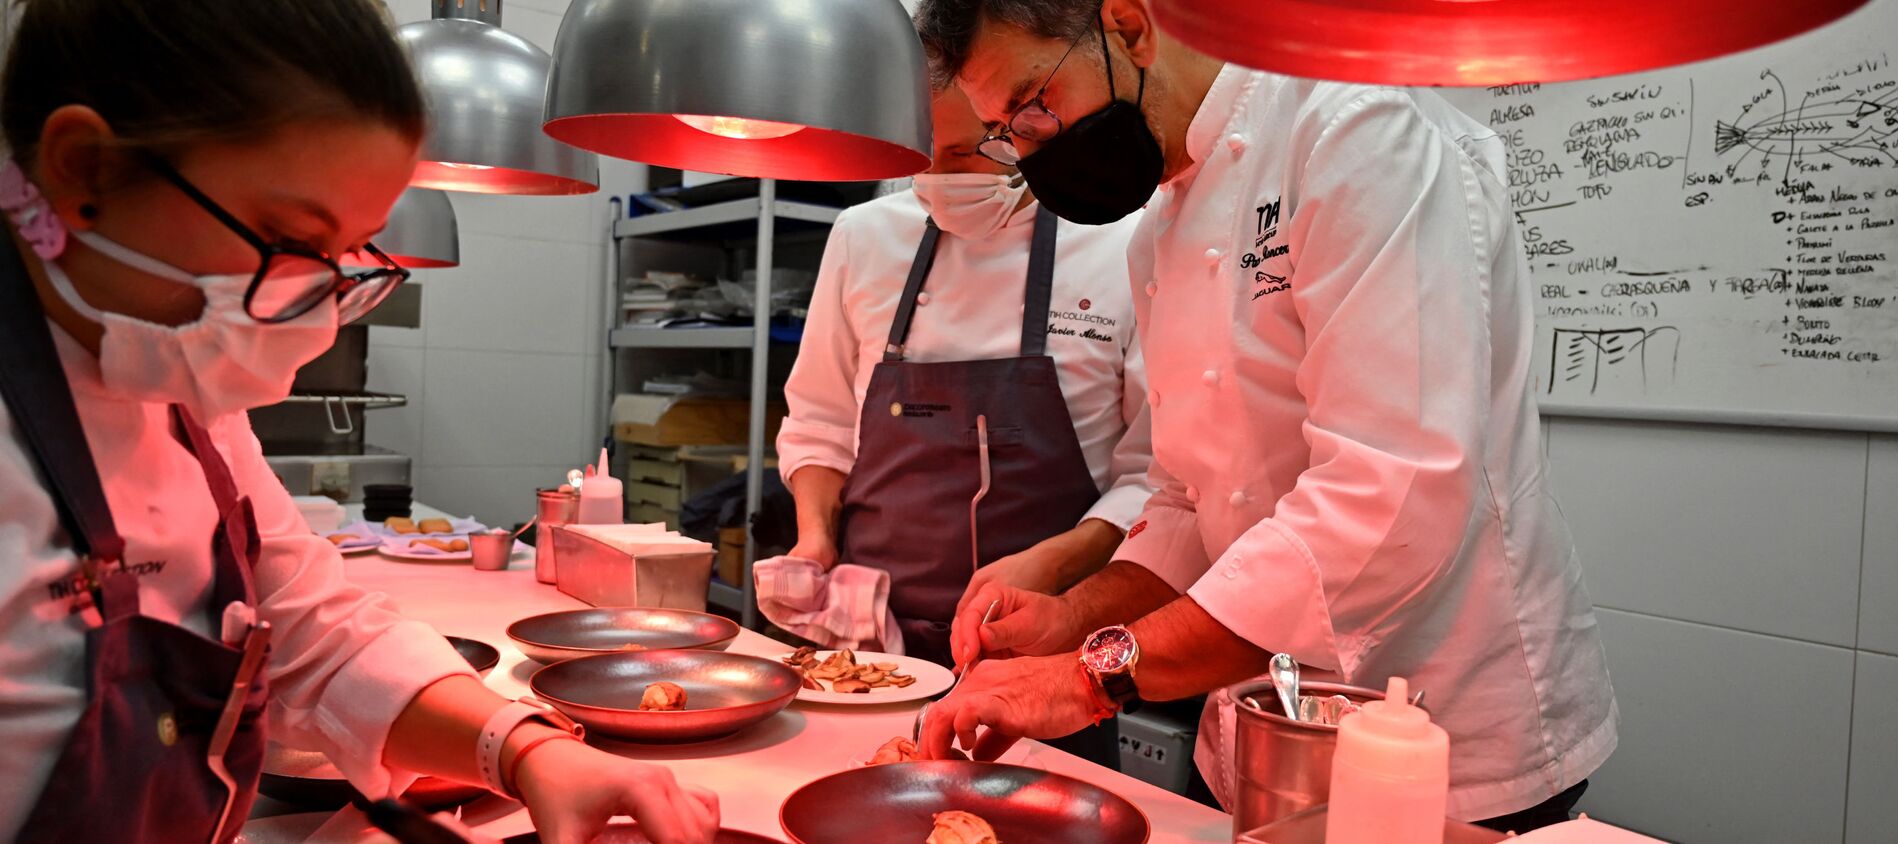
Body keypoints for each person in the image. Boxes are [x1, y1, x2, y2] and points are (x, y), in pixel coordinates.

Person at [0, 2, 717, 842]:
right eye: (289, 240)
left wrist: (525, 752)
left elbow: (310, 631)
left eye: (351, 256)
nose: (320, 313)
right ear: (83, 170)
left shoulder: (176, 387)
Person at [909, 0, 1619, 832]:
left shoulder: (1356, 126)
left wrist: (1087, 678)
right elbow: (1187, 501)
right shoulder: (1160, 228)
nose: (1030, 150)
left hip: (1448, 731)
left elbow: (1391, 495)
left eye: (1034, 105)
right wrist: (1074, 618)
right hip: (1262, 731)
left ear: (1130, 25)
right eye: (1005, 132)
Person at [775, 87, 1150, 668]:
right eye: (925, 154)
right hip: (871, 645)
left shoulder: (1125, 241)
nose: (940, 176)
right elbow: (820, 422)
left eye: (967, 151)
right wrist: (814, 538)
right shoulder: (861, 236)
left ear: (1030, 128)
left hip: (1048, 648)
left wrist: (1056, 562)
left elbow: (1154, 472)